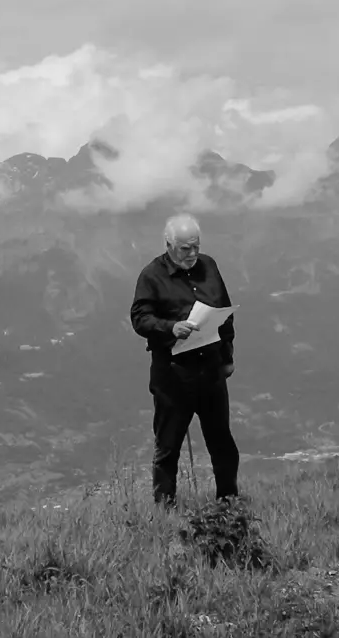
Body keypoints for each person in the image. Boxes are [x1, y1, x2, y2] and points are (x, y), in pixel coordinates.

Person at [130, 213, 240, 508]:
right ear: (168, 245)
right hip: (173, 376)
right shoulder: (151, 276)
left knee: (222, 442)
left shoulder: (209, 266)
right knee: (168, 448)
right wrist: (170, 328)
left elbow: (224, 309)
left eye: (196, 246)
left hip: (211, 370)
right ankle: (165, 511)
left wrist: (227, 356)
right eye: (185, 249)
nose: (192, 254)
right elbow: (140, 318)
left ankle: (229, 506)